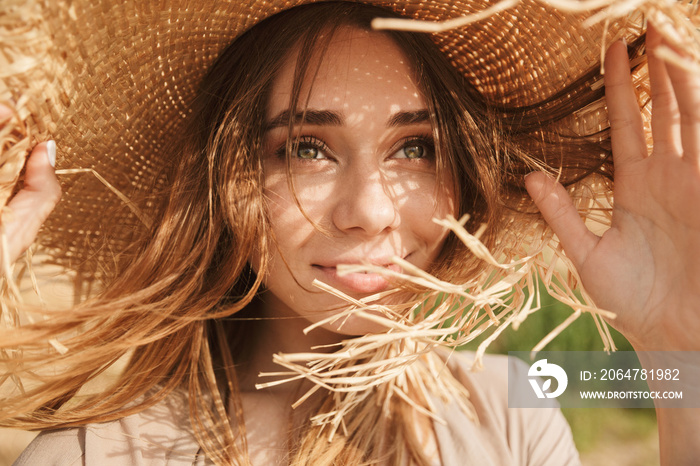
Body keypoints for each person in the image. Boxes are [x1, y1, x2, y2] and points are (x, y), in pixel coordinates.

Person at [1, 0, 699, 464]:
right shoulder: (93, 451)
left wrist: (677, 350)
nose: (370, 210)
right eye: (307, 147)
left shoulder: (506, 416)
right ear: (225, 177)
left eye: (415, 148)